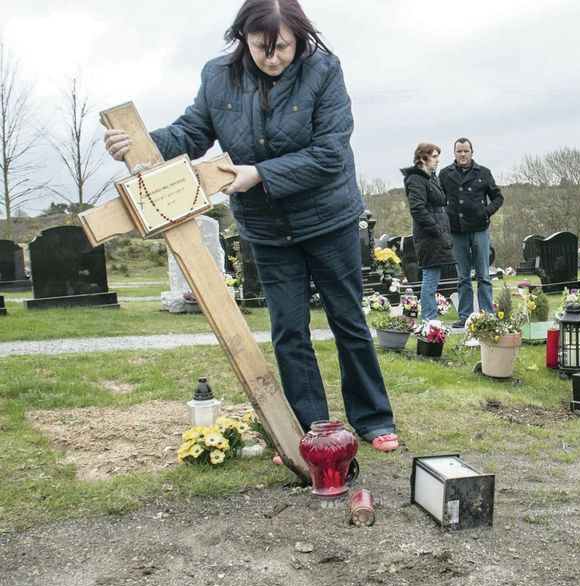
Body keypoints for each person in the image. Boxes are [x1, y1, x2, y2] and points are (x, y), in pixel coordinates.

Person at [103, 0, 399, 451]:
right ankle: (310, 431)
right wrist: (140, 143)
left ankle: (373, 418)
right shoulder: (217, 76)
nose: (273, 56)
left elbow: (331, 152)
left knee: (347, 320)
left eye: (282, 46)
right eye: (262, 46)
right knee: (288, 330)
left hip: (328, 219)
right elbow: (192, 133)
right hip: (266, 226)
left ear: (300, 37)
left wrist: (260, 173)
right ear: (243, 38)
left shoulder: (323, 71)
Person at [438, 138, 504, 328]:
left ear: (472, 152)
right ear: (455, 153)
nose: (463, 154)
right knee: (463, 276)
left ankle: (487, 315)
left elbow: (498, 197)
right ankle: (465, 315)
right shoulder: (445, 174)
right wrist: (445, 217)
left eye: (466, 151)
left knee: (483, 275)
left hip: (479, 230)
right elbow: (438, 199)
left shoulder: (483, 173)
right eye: (459, 151)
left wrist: (487, 212)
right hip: (457, 232)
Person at [401, 144, 454, 322]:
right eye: (434, 156)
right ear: (423, 158)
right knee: (430, 280)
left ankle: (429, 319)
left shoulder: (431, 178)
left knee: (433, 278)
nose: (438, 160)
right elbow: (417, 209)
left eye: (438, 156)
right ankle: (429, 321)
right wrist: (436, 229)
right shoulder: (416, 179)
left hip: (437, 236)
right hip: (429, 237)